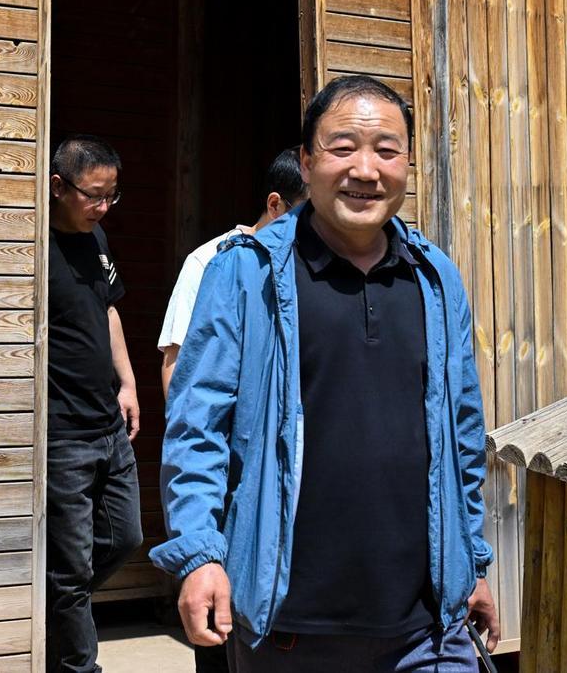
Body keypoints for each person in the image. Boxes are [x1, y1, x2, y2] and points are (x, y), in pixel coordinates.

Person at [152, 76, 499, 672]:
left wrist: (472, 564)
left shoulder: (436, 277)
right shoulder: (246, 274)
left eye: (386, 150)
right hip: (291, 626)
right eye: (342, 148)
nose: (365, 169)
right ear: (307, 162)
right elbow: (197, 427)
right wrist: (199, 555)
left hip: (427, 629)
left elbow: (462, 436)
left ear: (408, 164)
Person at [158, 148, 306, 673]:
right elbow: (178, 372)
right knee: (220, 626)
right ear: (275, 204)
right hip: (228, 477)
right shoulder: (213, 262)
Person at [45, 134, 144, 673]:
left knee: (125, 537)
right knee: (70, 572)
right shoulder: (36, 243)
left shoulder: (96, 236)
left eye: (112, 196)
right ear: (58, 187)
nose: (104, 207)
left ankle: (59, 604)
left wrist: (127, 384)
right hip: (63, 434)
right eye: (93, 196)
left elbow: (109, 311)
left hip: (107, 422)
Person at [158, 148, 307, 398]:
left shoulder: (314, 267)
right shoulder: (208, 260)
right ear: (275, 205)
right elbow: (177, 361)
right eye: (307, 215)